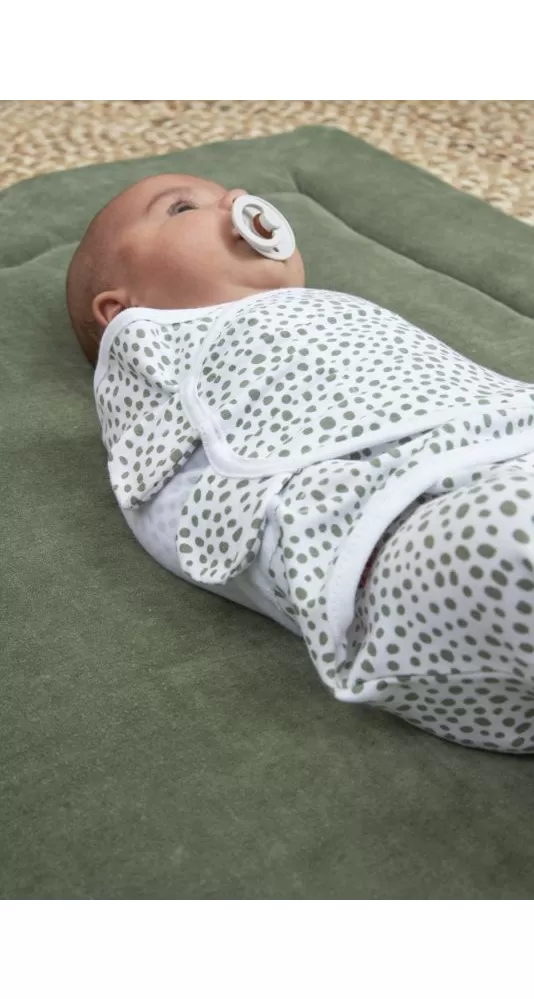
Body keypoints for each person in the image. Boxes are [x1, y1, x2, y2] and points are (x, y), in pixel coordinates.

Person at [66, 173, 534, 754]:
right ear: (121, 309)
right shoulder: (161, 367)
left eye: (233, 195)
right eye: (182, 208)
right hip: (391, 530)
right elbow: (164, 496)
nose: (235, 201)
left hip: (500, 442)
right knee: (505, 532)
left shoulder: (333, 309)